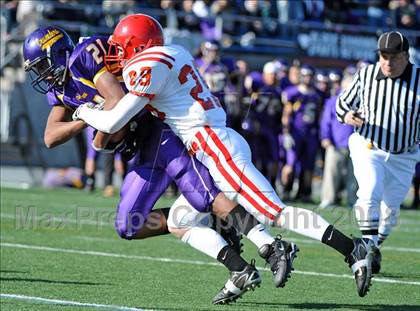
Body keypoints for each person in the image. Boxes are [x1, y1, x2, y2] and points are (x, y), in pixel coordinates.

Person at [75, 14, 375, 297]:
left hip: (213, 145)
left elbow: (113, 122)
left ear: (138, 47)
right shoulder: (174, 52)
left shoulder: (146, 65)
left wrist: (82, 109)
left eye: (120, 47)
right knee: (180, 220)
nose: (116, 53)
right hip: (211, 143)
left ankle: (351, 249)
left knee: (275, 212)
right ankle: (240, 271)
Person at [22, 26, 296, 304]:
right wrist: (86, 117)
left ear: (59, 52)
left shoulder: (84, 57)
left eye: (43, 65)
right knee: (129, 224)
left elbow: (116, 100)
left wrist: (99, 132)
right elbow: (51, 136)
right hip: (139, 148)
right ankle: (236, 262)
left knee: (203, 194)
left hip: (160, 129)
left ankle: (269, 245)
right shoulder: (61, 90)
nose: (42, 74)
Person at [336, 31, 420, 274]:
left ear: (406, 56)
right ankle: (367, 249)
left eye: (393, 57)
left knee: (391, 211)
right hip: (368, 146)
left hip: (405, 154)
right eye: (383, 56)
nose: (387, 62)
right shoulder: (367, 74)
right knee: (369, 191)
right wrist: (347, 116)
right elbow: (342, 103)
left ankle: (372, 245)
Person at [319, 73, 357, 209]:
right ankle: (328, 199)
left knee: (354, 176)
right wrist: (325, 137)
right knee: (331, 174)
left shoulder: (359, 101)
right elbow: (325, 122)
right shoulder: (333, 101)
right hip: (336, 144)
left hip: (355, 145)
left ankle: (353, 201)